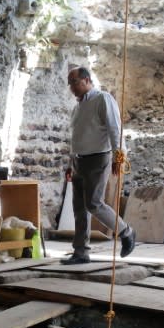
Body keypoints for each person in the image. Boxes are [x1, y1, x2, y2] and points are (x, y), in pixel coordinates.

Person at [62, 66, 136, 265]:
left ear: (86, 80)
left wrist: (118, 156)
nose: (72, 88)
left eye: (74, 83)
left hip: (98, 158)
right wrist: (71, 163)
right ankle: (80, 252)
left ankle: (126, 232)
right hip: (79, 160)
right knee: (79, 208)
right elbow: (76, 137)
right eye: (70, 84)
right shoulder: (78, 107)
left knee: (93, 204)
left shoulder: (102, 99)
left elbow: (114, 128)